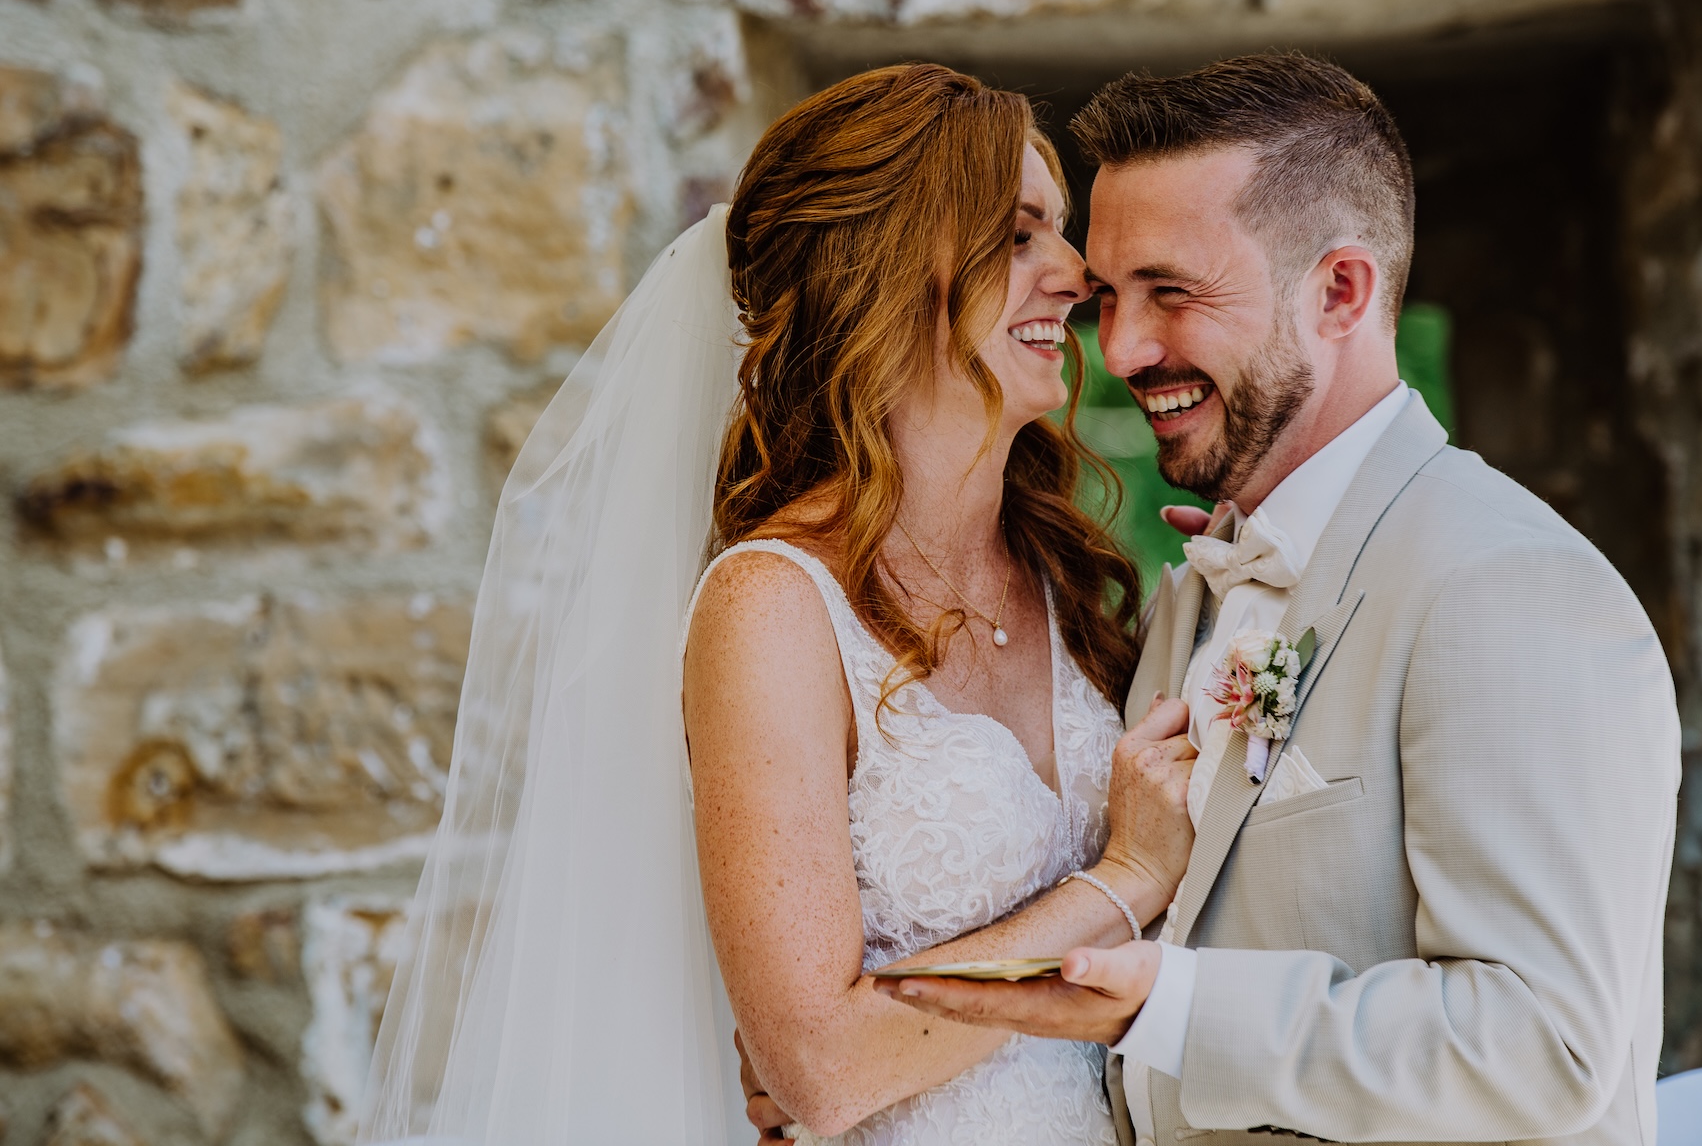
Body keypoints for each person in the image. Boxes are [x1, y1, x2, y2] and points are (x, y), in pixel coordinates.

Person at [356, 63, 1196, 1146]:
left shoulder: (1064, 574)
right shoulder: (775, 608)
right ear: (887, 271)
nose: (1077, 274)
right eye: (1020, 234)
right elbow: (822, 1067)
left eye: (1061, 231)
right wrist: (1124, 879)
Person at [878, 53, 1683, 1146]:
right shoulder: (1199, 591)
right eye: (1109, 299)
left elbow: (1544, 1045)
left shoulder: (1504, 586)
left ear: (1341, 290)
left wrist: (1176, 1006)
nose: (1118, 351)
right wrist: (874, 1067)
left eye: (1173, 292)